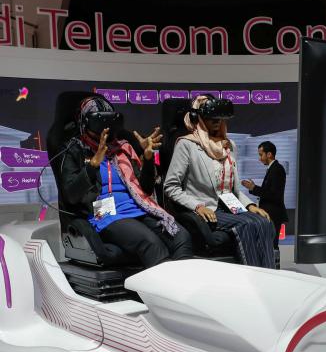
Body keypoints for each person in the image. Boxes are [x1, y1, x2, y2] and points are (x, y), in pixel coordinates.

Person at [59, 96, 192, 268]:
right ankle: (167, 291)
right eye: (99, 122)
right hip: (106, 215)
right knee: (151, 243)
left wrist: (148, 158)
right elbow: (71, 195)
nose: (105, 128)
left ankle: (184, 287)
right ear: (86, 123)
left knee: (181, 236)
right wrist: (92, 165)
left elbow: (146, 188)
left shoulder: (124, 147)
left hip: (138, 209)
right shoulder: (75, 150)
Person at [164, 95, 276, 268]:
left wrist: (250, 206)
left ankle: (269, 275)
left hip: (229, 205)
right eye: (211, 118)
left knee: (264, 222)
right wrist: (197, 206)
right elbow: (171, 187)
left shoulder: (229, 146)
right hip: (206, 208)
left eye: (219, 118)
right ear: (199, 118)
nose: (216, 122)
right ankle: (253, 278)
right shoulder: (187, 145)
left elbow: (234, 189)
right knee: (247, 224)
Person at [241, 141, 288, 249]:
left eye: (261, 155)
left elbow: (273, 194)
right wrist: (253, 188)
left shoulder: (277, 169)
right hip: (270, 213)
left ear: (269, 154)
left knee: (272, 246)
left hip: (274, 214)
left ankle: (273, 266)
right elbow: (269, 191)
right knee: (269, 245)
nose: (259, 158)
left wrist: (253, 188)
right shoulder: (273, 169)